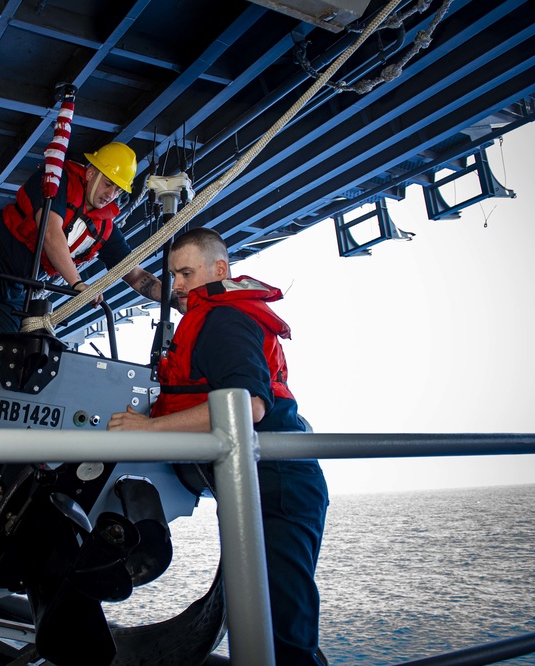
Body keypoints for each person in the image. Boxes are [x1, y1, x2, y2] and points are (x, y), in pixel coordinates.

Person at [107, 228, 329, 665]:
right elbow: (151, 286)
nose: (178, 285)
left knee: (285, 624)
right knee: (262, 613)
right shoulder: (204, 303)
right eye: (176, 274)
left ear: (219, 269)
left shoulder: (224, 320)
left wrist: (148, 429)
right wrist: (105, 236)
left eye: (186, 273)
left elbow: (250, 406)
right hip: (256, 479)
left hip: (280, 483)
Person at [0, 142, 163, 333]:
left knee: (2, 346)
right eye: (108, 184)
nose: (111, 195)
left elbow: (135, 275)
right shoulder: (56, 183)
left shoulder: (105, 228)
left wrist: (174, 297)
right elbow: (50, 233)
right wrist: (78, 284)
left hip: (18, 284)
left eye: (118, 190)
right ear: (91, 173)